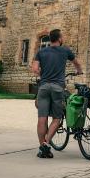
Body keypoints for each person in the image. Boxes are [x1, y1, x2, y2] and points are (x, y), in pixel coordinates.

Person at [31, 28, 83, 159]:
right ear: (59, 39)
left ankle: (42, 149)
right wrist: (79, 71)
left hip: (43, 88)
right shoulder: (65, 50)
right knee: (57, 118)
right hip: (57, 88)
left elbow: (35, 69)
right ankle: (46, 143)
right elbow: (76, 63)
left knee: (41, 119)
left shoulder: (41, 52)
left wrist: (42, 73)